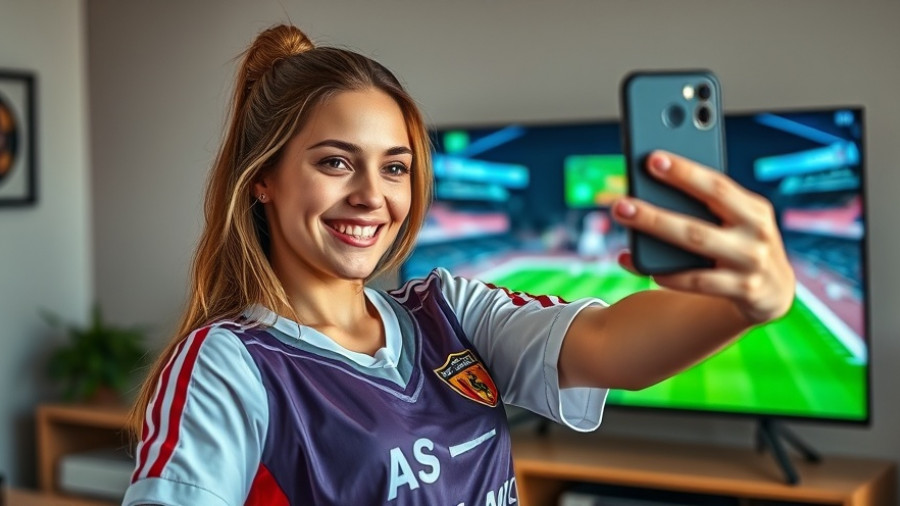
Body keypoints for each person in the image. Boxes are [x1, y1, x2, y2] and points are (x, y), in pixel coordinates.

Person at [123, 24, 795, 506]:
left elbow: (614, 347)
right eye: (334, 161)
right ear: (263, 177)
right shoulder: (227, 362)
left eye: (395, 167)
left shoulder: (451, 311)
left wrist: (752, 300)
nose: (371, 195)